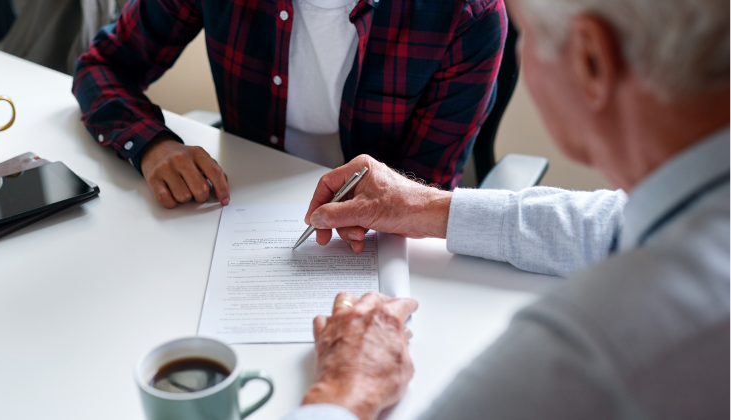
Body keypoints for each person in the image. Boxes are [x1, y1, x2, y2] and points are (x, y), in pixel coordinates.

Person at [282, 0, 731, 418]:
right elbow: (613, 222)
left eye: (527, 34)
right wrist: (428, 206)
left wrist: (342, 392)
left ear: (591, 60)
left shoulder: (591, 351)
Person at [72, 0, 507, 209]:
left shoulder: (467, 13)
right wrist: (153, 146)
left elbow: (419, 194)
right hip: (239, 205)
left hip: (373, 234)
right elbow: (102, 66)